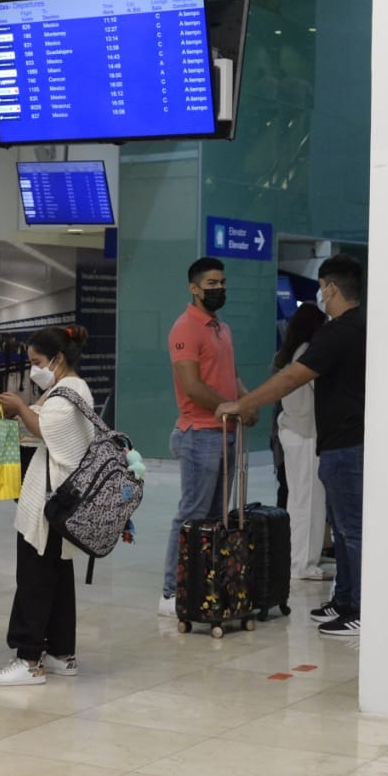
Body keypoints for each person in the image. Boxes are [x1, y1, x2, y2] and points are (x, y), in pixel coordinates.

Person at [217, 254, 365, 636]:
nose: (320, 294)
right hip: (345, 441)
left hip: (345, 444)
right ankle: (345, 599)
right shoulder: (365, 326)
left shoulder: (338, 331)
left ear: (330, 288)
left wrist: (243, 402)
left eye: (321, 288)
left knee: (350, 530)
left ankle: (359, 608)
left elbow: (291, 379)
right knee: (344, 526)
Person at [0, 325, 94, 686]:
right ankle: (61, 652)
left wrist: (20, 408)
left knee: (33, 577)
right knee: (57, 575)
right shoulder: (63, 390)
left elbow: (47, 433)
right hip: (57, 500)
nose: (34, 369)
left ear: (58, 359)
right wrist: (17, 408)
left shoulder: (68, 392)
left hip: (49, 501)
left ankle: (28, 658)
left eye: (38, 362)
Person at [158, 257, 257, 618]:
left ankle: (204, 586)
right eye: (212, 283)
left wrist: (247, 401)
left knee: (217, 518)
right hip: (199, 434)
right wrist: (234, 407)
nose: (219, 288)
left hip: (225, 433)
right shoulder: (185, 328)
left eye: (223, 282)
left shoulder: (221, 327)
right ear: (194, 288)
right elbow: (192, 386)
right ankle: (172, 592)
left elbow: (228, 374)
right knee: (192, 515)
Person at [273, 302, 330, 581]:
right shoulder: (308, 353)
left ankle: (298, 558)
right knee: (309, 501)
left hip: (292, 431)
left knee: (298, 499)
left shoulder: (289, 353)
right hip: (306, 433)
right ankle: (303, 564)